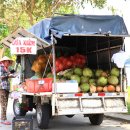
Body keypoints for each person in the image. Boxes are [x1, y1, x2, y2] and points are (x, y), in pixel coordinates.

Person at [0, 56, 15, 125]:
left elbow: (6, 75)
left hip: (5, 87)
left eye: (9, 62)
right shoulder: (1, 67)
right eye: (7, 62)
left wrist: (10, 74)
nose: (8, 63)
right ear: (4, 61)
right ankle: (4, 119)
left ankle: (2, 117)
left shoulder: (6, 68)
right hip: (2, 88)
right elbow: (1, 76)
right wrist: (8, 75)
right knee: (4, 104)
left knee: (4, 103)